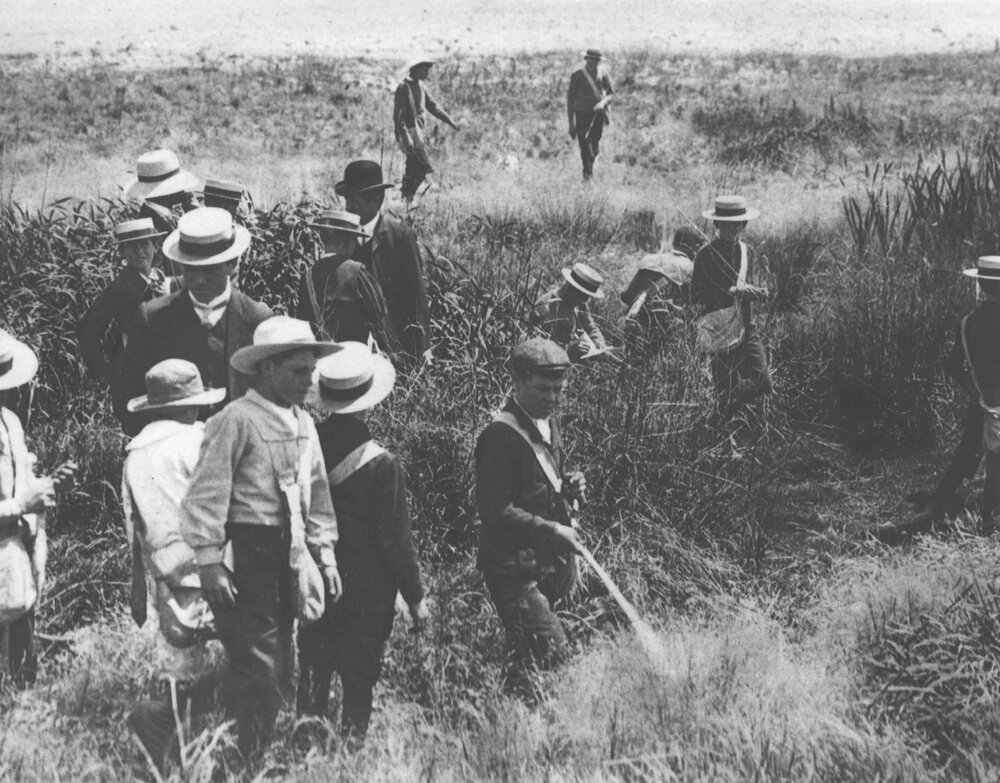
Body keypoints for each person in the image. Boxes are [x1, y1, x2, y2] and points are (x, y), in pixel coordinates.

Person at [178, 316, 342, 761]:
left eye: (311, 371)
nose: (308, 381)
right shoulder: (237, 419)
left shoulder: (304, 423)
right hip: (248, 558)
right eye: (297, 371)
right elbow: (205, 495)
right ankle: (239, 762)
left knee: (280, 666)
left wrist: (324, 554)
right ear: (267, 369)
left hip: (290, 555)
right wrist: (209, 562)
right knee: (262, 672)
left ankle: (202, 722)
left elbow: (318, 495)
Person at [297, 342, 428, 743]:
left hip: (318, 579)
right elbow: (396, 541)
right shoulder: (381, 463)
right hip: (367, 595)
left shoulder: (307, 444)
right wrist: (417, 598)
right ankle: (352, 755)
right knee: (358, 681)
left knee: (314, 673)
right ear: (369, 401)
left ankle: (305, 753)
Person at [121, 359, 226, 772]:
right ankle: (203, 748)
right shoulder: (197, 443)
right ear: (188, 407)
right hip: (211, 567)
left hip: (166, 577)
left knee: (180, 665)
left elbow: (135, 529)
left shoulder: (134, 456)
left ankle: (174, 754)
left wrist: (140, 590)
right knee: (238, 663)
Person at [475, 338, 587, 699]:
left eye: (559, 390)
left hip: (546, 564)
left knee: (529, 656)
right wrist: (553, 530)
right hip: (513, 569)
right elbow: (496, 512)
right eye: (543, 389)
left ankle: (509, 715)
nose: (552, 398)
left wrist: (572, 487)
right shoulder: (498, 436)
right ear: (517, 382)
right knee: (555, 653)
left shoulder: (549, 425)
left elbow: (545, 485)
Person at [114, 207, 272, 435]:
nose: (199, 280)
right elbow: (127, 393)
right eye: (190, 269)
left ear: (232, 263)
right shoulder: (152, 319)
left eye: (210, 270)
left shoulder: (258, 320)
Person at [885, 256, 1000, 540]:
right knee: (994, 462)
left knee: (968, 453)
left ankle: (943, 500)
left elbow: (952, 366)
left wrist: (975, 390)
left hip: (982, 401)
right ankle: (989, 522)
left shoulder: (968, 323)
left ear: (982, 285)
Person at [0, 329, 75, 688]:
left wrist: (47, 486)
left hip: (14, 564)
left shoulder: (9, 422)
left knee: (22, 672)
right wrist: (19, 505)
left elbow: (20, 478)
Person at [337, 160, 431, 360]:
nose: (348, 207)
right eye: (347, 201)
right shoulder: (344, 239)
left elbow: (416, 295)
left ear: (375, 200)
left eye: (354, 201)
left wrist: (423, 347)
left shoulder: (400, 237)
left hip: (395, 346)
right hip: (355, 348)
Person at [691, 195, 772, 413]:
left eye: (737, 224)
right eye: (726, 225)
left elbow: (751, 282)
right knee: (724, 386)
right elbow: (696, 296)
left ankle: (728, 405)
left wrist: (757, 292)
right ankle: (724, 429)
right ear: (717, 224)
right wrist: (731, 292)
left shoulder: (747, 252)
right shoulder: (705, 255)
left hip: (747, 324)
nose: (732, 229)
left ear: (744, 225)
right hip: (719, 328)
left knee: (762, 379)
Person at [77, 218, 170, 384]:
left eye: (145, 244)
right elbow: (87, 330)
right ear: (122, 252)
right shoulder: (120, 287)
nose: (140, 251)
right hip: (136, 373)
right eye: (133, 246)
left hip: (167, 366)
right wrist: (108, 374)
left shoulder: (160, 277)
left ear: (155, 246)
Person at [297, 210, 393, 350]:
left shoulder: (307, 277)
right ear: (349, 242)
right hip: (355, 359)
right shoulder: (356, 272)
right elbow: (379, 310)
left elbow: (303, 322)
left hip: (322, 361)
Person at [620, 227, 701, 352]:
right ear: (695, 247)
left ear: (674, 243)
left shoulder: (649, 259)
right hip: (663, 333)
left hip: (632, 324)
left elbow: (626, 296)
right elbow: (691, 307)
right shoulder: (689, 267)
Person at [393, 56, 461, 202]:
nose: (427, 72)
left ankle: (406, 200)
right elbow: (398, 117)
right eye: (425, 69)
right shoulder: (403, 87)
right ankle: (406, 197)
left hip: (418, 134)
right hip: (409, 134)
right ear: (416, 69)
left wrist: (451, 122)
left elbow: (433, 107)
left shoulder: (421, 87)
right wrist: (406, 137)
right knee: (421, 167)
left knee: (413, 167)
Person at [532, 262, 608, 363]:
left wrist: (599, 341)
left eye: (586, 297)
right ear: (569, 287)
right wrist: (569, 349)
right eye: (582, 296)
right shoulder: (546, 306)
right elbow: (537, 346)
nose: (583, 302)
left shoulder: (578, 301)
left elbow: (590, 326)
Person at [566, 49, 614, 181]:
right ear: (586, 60)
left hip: (597, 115)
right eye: (591, 60)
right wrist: (571, 124)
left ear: (599, 62)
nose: (593, 63)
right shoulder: (577, 75)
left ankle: (589, 171)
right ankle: (587, 176)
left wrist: (603, 103)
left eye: (596, 61)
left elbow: (611, 94)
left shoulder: (603, 74)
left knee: (594, 149)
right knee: (585, 146)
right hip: (581, 114)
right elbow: (570, 100)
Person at [124, 149, 202, 214]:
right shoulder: (151, 226)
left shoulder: (161, 213)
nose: (183, 191)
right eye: (177, 185)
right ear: (167, 190)